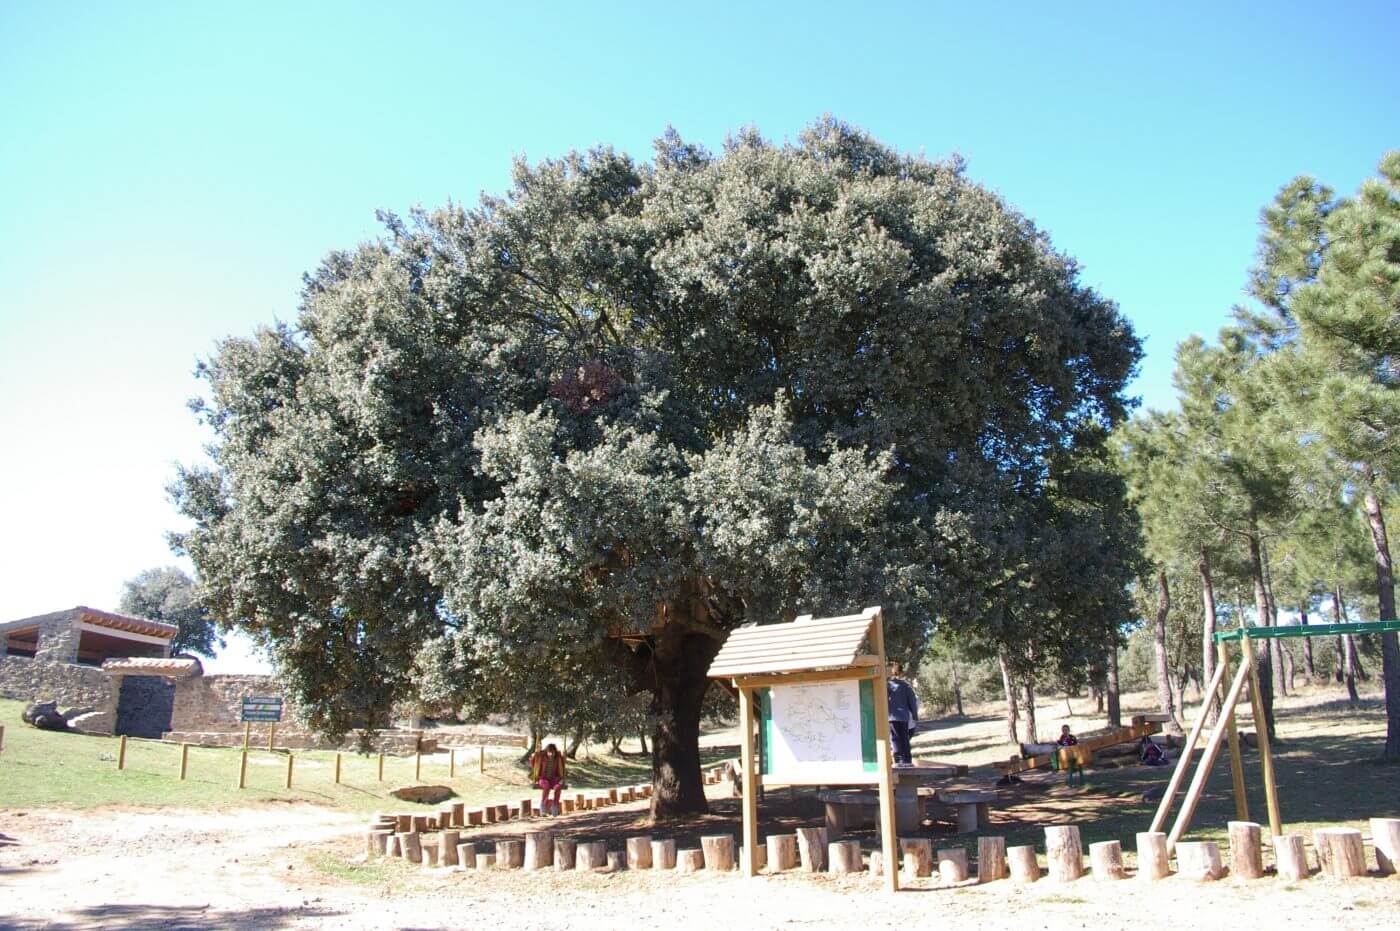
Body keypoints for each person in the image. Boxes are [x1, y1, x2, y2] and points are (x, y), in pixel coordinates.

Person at [886, 662, 919, 766]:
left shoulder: (887, 686)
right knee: (904, 737)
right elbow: (912, 701)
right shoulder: (906, 686)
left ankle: (898, 760)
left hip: (892, 716)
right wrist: (914, 715)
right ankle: (907, 760)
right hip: (904, 717)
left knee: (895, 738)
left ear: (891, 673)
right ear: (902, 673)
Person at [530, 742, 568, 815]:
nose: (550, 754)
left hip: (554, 779)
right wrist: (535, 755)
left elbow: (563, 765)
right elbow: (533, 764)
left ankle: (554, 806)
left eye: (552, 752)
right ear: (546, 752)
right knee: (546, 786)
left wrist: (564, 757)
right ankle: (543, 805)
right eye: (549, 752)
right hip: (543, 779)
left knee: (558, 787)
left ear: (555, 752)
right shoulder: (541, 757)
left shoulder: (558, 758)